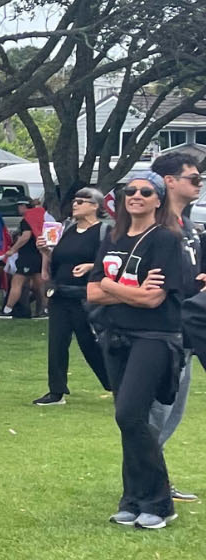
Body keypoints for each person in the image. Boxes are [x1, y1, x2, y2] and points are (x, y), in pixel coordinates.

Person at [88, 171, 188, 531]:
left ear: (158, 199)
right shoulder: (112, 236)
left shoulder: (165, 239)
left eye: (146, 192)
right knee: (130, 421)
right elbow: (92, 292)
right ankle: (132, 500)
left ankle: (159, 502)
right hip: (116, 336)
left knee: (130, 414)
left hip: (154, 336)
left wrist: (111, 285)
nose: (137, 196)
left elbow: (152, 299)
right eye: (130, 191)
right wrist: (117, 288)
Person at [145, 149, 203, 497]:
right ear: (170, 181)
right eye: (193, 178)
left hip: (190, 330)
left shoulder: (189, 225)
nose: (199, 184)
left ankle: (157, 476)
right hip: (164, 331)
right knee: (156, 410)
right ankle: (146, 480)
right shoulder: (156, 227)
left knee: (173, 412)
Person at [35, 186, 113, 405]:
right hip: (60, 293)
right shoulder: (66, 228)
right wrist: (45, 252)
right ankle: (56, 391)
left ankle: (115, 383)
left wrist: (90, 266)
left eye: (81, 201)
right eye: (75, 201)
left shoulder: (104, 232)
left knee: (90, 344)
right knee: (57, 343)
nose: (75, 204)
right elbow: (58, 260)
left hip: (86, 295)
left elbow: (113, 262)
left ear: (95, 206)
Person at [0, 202, 46, 319]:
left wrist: (13, 250)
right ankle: (46, 309)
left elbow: (26, 236)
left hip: (27, 257)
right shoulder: (40, 218)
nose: (18, 209)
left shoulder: (26, 220)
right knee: (40, 285)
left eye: (19, 206)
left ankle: (7, 310)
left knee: (16, 283)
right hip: (38, 255)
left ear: (24, 206)